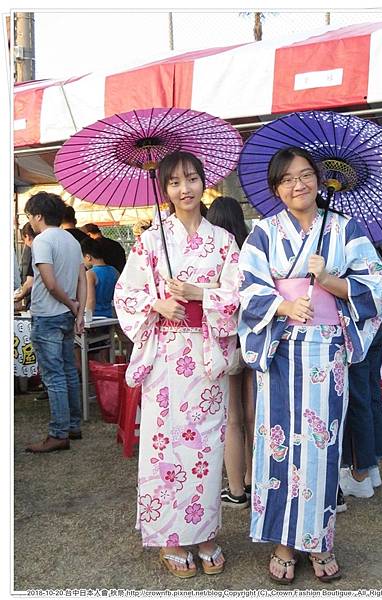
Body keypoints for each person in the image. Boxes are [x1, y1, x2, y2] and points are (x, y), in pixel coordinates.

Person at [238, 146, 382, 584]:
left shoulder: (345, 229)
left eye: (305, 175)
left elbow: (377, 286)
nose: (297, 185)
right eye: (286, 179)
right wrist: (284, 307)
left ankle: (320, 539)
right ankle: (285, 541)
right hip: (282, 350)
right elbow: (245, 288)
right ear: (275, 188)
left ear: (319, 181)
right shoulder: (263, 232)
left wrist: (331, 281)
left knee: (322, 447)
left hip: (328, 349)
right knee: (279, 443)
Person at [114, 151, 240, 578]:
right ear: (163, 190)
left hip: (205, 354)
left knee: (205, 446)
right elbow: (126, 295)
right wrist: (157, 303)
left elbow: (238, 296)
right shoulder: (151, 241)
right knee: (165, 447)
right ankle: (170, 535)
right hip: (167, 355)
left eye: (191, 179)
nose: (184, 189)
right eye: (173, 183)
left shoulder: (222, 241)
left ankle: (205, 532)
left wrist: (197, 293)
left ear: (205, 182)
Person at [24, 191, 87, 453]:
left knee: (54, 376)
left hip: (49, 314)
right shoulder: (72, 241)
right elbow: (82, 279)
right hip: (66, 315)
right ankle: (72, 424)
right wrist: (78, 311)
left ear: (38, 215)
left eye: (29, 215)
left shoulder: (42, 241)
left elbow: (49, 283)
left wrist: (71, 304)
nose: (29, 220)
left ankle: (58, 433)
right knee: (68, 371)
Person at [206, 196, 254, 508]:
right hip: (252, 338)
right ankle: (253, 479)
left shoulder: (212, 251)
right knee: (253, 414)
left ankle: (235, 489)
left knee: (232, 418)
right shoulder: (251, 248)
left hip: (224, 342)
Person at [340, 243, 382, 499]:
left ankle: (360, 473)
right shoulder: (373, 241)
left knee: (358, 400)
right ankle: (371, 467)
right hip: (378, 323)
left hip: (359, 327)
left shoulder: (346, 238)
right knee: (370, 396)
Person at [81, 237, 119, 319]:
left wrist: (87, 318)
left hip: (96, 316)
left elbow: (90, 300)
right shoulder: (114, 271)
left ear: (88, 257)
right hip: (110, 315)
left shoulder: (90, 274)